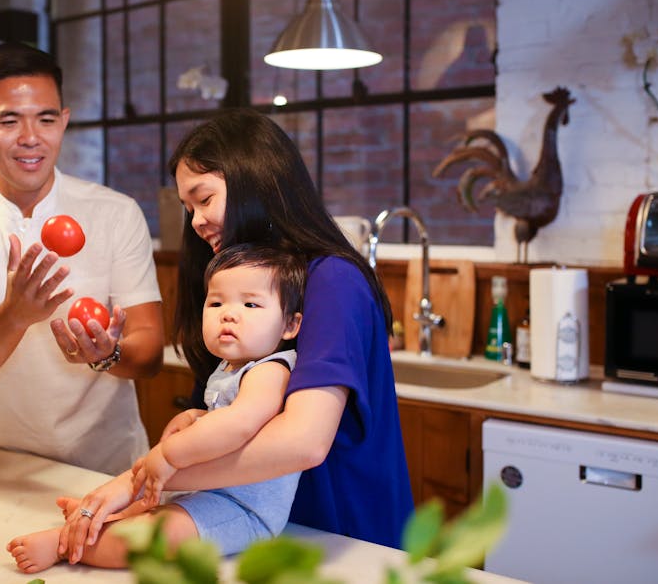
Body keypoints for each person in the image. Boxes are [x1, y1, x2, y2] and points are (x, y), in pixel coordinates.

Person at [58, 108, 413, 560]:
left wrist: (142, 481)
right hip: (263, 533)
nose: (195, 223)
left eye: (204, 200)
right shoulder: (242, 285)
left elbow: (303, 441)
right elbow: (221, 418)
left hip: (346, 538)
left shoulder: (332, 280)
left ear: (256, 181)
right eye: (188, 208)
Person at [0, 42, 164, 475]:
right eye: (8, 120)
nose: (31, 138)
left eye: (46, 119)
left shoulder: (115, 213)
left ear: (63, 121)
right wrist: (14, 315)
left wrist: (107, 353)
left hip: (108, 470)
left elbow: (151, 352)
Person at [6, 243, 306, 571]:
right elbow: (234, 421)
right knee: (147, 505)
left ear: (290, 325)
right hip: (207, 489)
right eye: (217, 302)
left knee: (152, 537)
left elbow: (241, 423)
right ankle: (102, 518)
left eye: (250, 304)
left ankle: (64, 544)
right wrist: (198, 416)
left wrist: (168, 454)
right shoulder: (229, 367)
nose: (229, 313)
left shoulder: (271, 369)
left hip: (244, 511)